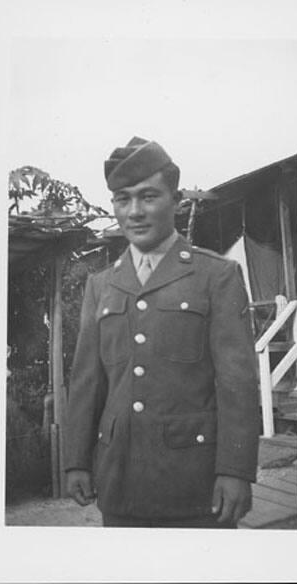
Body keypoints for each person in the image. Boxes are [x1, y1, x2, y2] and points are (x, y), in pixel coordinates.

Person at [65, 136, 260, 528]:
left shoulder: (217, 276)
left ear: (176, 200)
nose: (134, 211)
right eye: (123, 199)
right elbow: (87, 383)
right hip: (119, 481)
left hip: (195, 482)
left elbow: (237, 382)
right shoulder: (100, 286)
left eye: (148, 196)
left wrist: (236, 470)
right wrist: (76, 461)